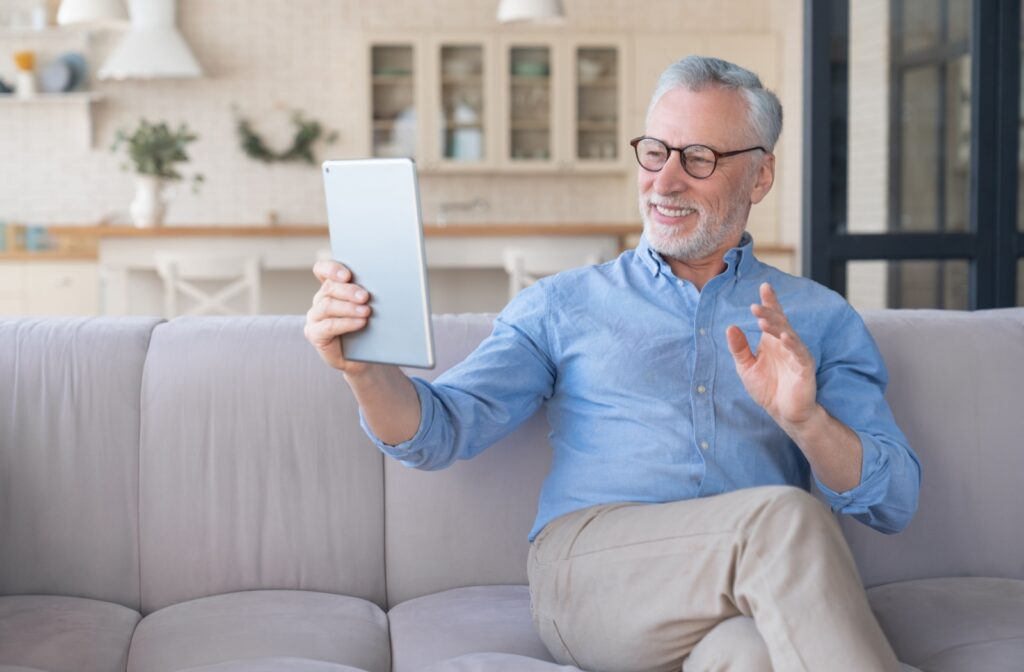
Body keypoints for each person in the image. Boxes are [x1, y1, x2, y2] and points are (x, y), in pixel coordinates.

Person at [304, 55, 921, 672]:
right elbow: (437, 432)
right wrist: (364, 367)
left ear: (760, 177)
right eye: (655, 152)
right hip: (593, 574)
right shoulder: (562, 303)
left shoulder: (819, 318)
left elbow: (893, 501)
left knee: (749, 655)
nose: (667, 181)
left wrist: (808, 421)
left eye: (699, 158)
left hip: (745, 595)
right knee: (784, 518)